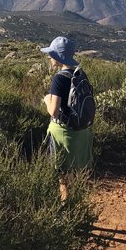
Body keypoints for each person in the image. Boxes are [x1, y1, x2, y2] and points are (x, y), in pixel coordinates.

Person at [40, 35, 93, 200]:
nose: (48, 57)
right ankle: (80, 208)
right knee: (80, 175)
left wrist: (47, 99)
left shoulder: (59, 78)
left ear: (57, 56)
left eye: (51, 54)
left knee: (63, 175)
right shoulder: (81, 74)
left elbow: (54, 111)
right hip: (82, 132)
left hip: (63, 133)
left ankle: (66, 210)